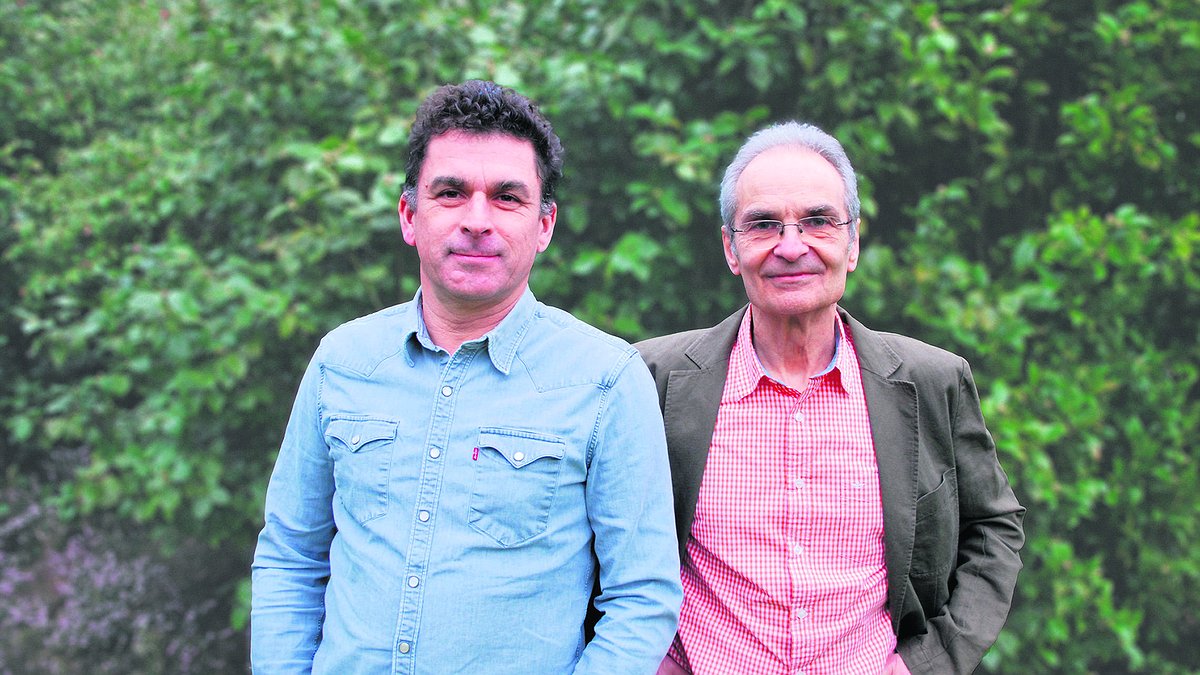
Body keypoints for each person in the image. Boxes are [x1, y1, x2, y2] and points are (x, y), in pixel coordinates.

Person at [251, 80, 681, 674]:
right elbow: (290, 557)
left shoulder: (606, 381)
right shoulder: (341, 362)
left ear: (545, 225)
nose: (477, 220)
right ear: (409, 214)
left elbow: (642, 599)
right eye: (451, 193)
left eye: (507, 197)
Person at [638, 121, 1025, 675]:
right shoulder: (651, 380)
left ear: (853, 242)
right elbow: (584, 541)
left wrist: (930, 663)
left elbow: (994, 529)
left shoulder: (932, 381)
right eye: (763, 224)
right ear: (730, 247)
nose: (791, 247)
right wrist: (645, 660)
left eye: (818, 221)